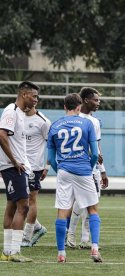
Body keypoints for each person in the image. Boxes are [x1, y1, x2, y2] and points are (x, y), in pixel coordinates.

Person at [47, 93, 102, 263]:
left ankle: (61, 253)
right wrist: (89, 166)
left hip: (64, 171)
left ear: (65, 107)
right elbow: (95, 153)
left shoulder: (55, 125)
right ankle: (94, 249)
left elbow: (51, 158)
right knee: (92, 209)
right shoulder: (87, 123)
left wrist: (61, 169)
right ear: (79, 107)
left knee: (62, 212)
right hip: (83, 170)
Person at [0, 81, 38, 262]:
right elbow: (1, 134)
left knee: (12, 206)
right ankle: (14, 251)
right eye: (34, 96)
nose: (36, 100)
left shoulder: (20, 114)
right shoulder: (11, 111)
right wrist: (14, 161)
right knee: (24, 206)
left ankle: (7, 252)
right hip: (14, 167)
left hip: (15, 166)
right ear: (24, 95)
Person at [66, 87, 109, 250]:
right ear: (85, 100)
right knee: (78, 201)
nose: (98, 103)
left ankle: (85, 239)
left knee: (92, 202)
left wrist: (103, 170)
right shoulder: (75, 118)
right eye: (95, 100)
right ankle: (70, 234)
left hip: (94, 169)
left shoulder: (95, 121)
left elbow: (97, 146)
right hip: (78, 166)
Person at [21, 101, 51, 247]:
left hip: (34, 167)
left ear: (35, 101)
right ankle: (38, 228)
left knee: (31, 200)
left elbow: (51, 145)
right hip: (18, 165)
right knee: (18, 200)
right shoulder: (16, 117)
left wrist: (47, 167)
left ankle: (26, 237)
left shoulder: (43, 121)